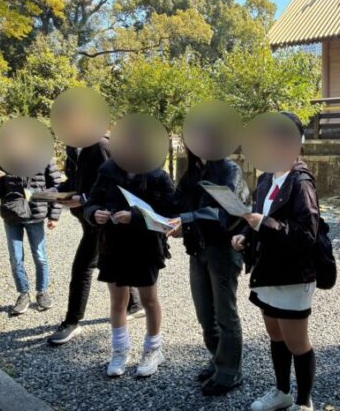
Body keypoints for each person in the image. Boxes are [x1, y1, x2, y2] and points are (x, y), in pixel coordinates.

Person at [232, 112, 318, 411]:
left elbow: (307, 234)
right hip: (267, 270)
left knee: (297, 342)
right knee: (276, 335)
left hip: (293, 275)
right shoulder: (267, 178)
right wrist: (244, 234)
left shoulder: (301, 182)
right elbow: (258, 217)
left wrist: (263, 224)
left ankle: (304, 402)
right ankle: (282, 391)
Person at [166, 148, 249, 396]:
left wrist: (188, 219)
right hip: (198, 249)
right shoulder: (193, 171)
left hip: (223, 251)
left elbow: (229, 213)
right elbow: (176, 203)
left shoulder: (229, 170)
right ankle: (218, 359)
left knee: (225, 315)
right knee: (205, 315)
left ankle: (229, 373)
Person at [47, 139, 145, 346]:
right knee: (114, 262)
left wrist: (83, 199)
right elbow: (74, 181)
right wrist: (55, 192)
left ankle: (72, 321)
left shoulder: (101, 146)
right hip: (88, 218)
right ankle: (135, 305)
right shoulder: (73, 148)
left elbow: (115, 185)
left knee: (82, 268)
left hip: (103, 219)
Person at [84, 158, 174, 378]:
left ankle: (153, 349)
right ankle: (119, 350)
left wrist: (134, 216)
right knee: (118, 301)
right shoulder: (107, 171)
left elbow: (170, 212)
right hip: (112, 244)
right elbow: (91, 203)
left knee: (149, 300)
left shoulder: (158, 175)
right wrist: (95, 213)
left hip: (146, 245)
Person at [0, 160, 61, 315]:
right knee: (16, 258)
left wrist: (54, 216)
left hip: (36, 215)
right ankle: (23, 294)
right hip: (12, 215)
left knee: (40, 257)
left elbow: (57, 187)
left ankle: (42, 292)